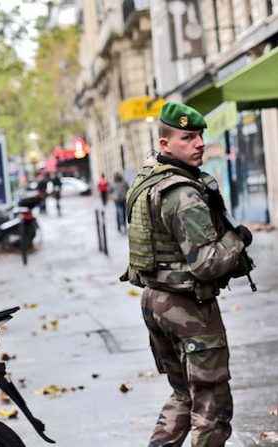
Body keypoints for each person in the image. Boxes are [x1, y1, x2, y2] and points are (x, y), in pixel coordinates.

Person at [122, 102, 255, 447]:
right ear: (165, 143)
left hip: (155, 301)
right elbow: (207, 263)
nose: (198, 144)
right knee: (212, 408)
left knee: (183, 395)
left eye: (200, 136)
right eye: (187, 137)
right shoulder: (183, 194)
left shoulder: (148, 180)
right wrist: (237, 240)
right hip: (188, 309)